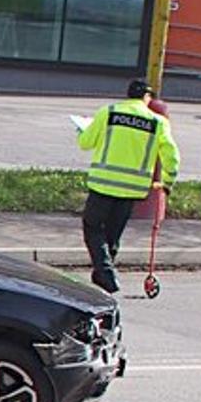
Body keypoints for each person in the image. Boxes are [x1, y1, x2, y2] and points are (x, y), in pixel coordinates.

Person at [77, 77, 179, 292]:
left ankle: (105, 272)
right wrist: (167, 182)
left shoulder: (109, 112)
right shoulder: (157, 122)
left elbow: (86, 143)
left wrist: (82, 131)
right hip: (132, 188)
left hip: (103, 184)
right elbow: (171, 155)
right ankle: (103, 276)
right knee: (113, 233)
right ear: (147, 98)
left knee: (92, 226)